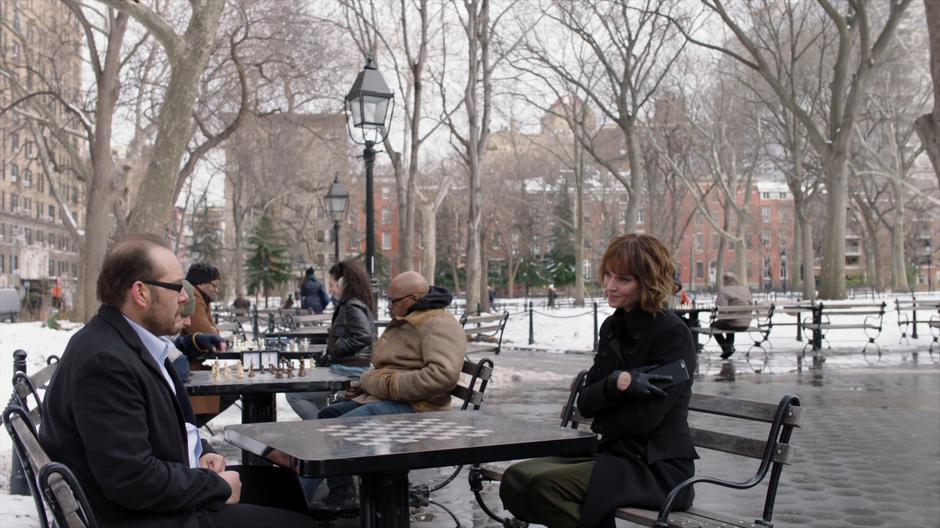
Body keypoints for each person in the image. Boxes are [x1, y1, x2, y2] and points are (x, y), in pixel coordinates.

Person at [38, 234, 312, 528]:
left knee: (282, 484)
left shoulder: (127, 342)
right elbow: (131, 479)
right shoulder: (106, 361)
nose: (185, 297)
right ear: (141, 293)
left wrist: (204, 453)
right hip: (141, 517)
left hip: (159, 496)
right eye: (177, 286)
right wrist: (216, 487)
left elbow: (164, 431)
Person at [499, 233, 698, 528]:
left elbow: (642, 423)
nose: (609, 286)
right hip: (612, 454)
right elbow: (586, 403)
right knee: (515, 478)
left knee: (542, 486)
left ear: (648, 281)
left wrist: (605, 407)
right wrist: (616, 383)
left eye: (623, 279)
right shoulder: (613, 326)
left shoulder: (672, 334)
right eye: (607, 274)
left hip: (656, 469)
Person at [314, 270, 466, 509]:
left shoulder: (440, 324)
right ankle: (342, 493)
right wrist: (368, 386)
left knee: (339, 429)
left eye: (393, 301)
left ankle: (293, 506)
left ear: (413, 298)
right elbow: (392, 365)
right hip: (390, 398)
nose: (389, 306)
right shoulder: (413, 317)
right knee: (326, 417)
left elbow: (442, 376)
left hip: (419, 408)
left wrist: (386, 385)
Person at [287, 260, 377, 420]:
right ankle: (324, 425)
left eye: (333, 284)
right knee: (315, 395)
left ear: (344, 283)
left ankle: (324, 429)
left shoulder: (351, 307)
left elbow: (363, 336)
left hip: (349, 370)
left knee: (294, 395)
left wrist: (336, 347)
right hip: (345, 367)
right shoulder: (350, 305)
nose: (330, 289)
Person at [711, 272, 753, 359]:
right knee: (728, 321)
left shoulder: (724, 291)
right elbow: (751, 307)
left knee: (714, 325)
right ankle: (728, 347)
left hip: (733, 323)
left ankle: (726, 348)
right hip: (745, 324)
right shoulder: (745, 289)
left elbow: (722, 309)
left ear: (725, 281)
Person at [182, 262, 220, 335]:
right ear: (200, 283)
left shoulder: (204, 298)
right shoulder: (193, 298)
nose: (217, 290)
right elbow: (204, 332)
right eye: (214, 285)